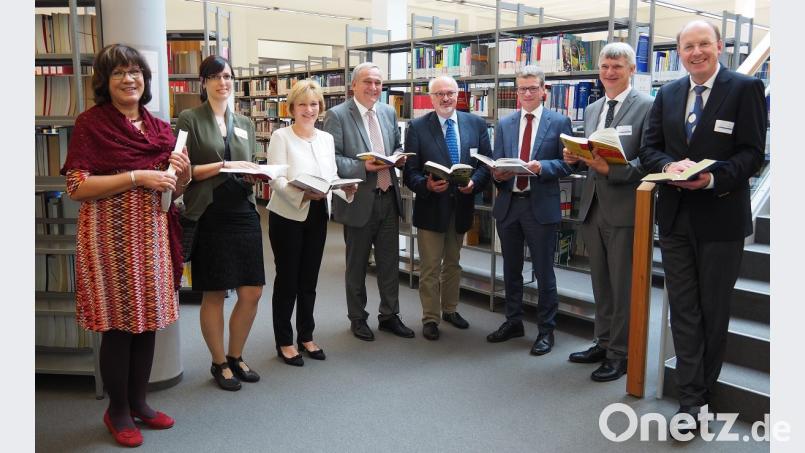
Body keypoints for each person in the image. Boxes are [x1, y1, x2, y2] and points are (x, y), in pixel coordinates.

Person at [61, 44, 190, 447]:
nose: (129, 79)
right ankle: (117, 409)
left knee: (147, 321)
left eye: (135, 71)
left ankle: (139, 402)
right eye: (119, 73)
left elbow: (174, 192)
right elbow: (77, 186)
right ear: (105, 81)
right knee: (118, 327)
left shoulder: (159, 128)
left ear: (146, 80)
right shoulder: (91, 124)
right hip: (108, 241)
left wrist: (181, 176)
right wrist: (137, 176)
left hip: (152, 237)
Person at [639, 20, 766, 429]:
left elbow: (752, 154)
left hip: (721, 216)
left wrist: (712, 177)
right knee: (683, 310)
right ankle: (691, 401)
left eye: (703, 44)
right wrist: (667, 166)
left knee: (713, 309)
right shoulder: (669, 93)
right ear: (679, 52)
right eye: (688, 46)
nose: (696, 52)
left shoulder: (744, 89)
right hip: (675, 219)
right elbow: (649, 148)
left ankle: (702, 389)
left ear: (720, 46)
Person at [563, 42, 653, 382]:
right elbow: (592, 152)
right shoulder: (593, 108)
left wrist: (610, 170)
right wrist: (577, 157)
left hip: (626, 209)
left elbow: (648, 160)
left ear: (631, 70)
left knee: (623, 286)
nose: (610, 72)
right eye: (604, 66)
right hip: (593, 206)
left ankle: (621, 353)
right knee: (600, 283)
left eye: (617, 66)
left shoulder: (647, 107)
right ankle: (603, 341)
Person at [177, 55, 264, 391]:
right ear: (204, 82)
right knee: (214, 293)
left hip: (243, 210)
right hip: (209, 212)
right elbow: (184, 172)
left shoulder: (246, 123)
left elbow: (251, 163)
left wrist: (252, 174)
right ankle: (218, 362)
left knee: (252, 290)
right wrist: (223, 166)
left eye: (227, 76)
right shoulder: (189, 119)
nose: (222, 82)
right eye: (214, 76)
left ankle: (236, 355)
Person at [266, 80, 357, 365]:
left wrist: (345, 189)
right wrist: (301, 193)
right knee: (287, 280)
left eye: (314, 104)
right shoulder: (281, 136)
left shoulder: (325, 138)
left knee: (309, 280)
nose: (309, 109)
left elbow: (329, 177)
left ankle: (306, 335)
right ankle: (284, 341)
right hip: (288, 215)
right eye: (303, 104)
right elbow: (276, 178)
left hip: (317, 214)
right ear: (292, 107)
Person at [323, 62, 415, 341]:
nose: (373, 88)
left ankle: (389, 315)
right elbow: (333, 158)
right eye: (367, 82)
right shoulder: (337, 115)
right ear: (353, 85)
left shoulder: (387, 111)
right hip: (359, 200)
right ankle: (358, 317)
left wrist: (398, 155)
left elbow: (395, 144)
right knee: (357, 265)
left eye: (377, 82)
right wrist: (365, 168)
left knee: (389, 263)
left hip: (388, 197)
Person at [486, 65, 572, 356]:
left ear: (544, 90)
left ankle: (546, 331)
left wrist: (542, 167)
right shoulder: (505, 123)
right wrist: (497, 174)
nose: (526, 94)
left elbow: (568, 164)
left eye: (532, 88)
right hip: (510, 206)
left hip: (541, 207)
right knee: (511, 270)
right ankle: (514, 321)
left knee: (545, 273)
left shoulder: (560, 122)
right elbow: (497, 162)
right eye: (521, 89)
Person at [402, 75, 492, 340]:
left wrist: (474, 183)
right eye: (439, 94)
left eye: (450, 93)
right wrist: (426, 186)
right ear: (431, 98)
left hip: (462, 205)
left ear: (458, 95)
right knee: (430, 267)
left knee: (454, 264)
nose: (445, 98)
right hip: (431, 207)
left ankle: (450, 309)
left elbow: (486, 163)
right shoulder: (417, 127)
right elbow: (410, 172)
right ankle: (431, 317)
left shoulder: (475, 124)